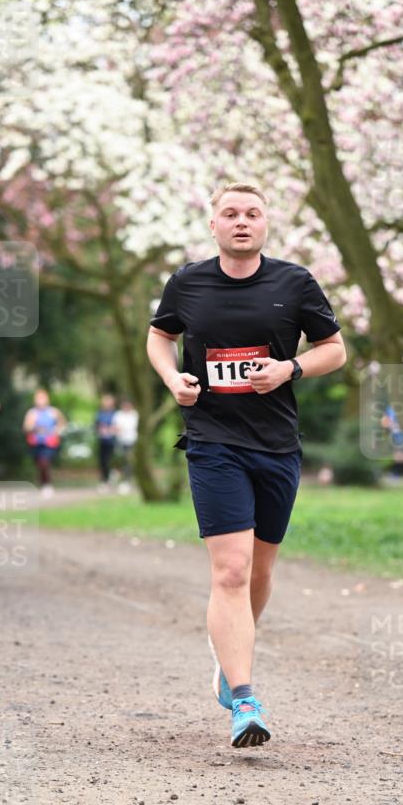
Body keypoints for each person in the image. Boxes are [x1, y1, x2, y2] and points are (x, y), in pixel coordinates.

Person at [147, 182, 346, 748]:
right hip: (212, 441)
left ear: (265, 225)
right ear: (213, 224)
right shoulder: (188, 282)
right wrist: (173, 380)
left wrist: (290, 369)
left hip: (277, 444)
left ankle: (228, 657)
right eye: (229, 213)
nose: (241, 222)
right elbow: (160, 337)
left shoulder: (294, 282)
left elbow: (335, 349)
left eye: (252, 214)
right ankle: (245, 698)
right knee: (230, 571)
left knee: (259, 573)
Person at [22, 390, 66, 498]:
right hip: (36, 442)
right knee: (39, 464)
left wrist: (57, 431)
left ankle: (47, 485)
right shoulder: (32, 413)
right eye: (38, 398)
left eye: (42, 398)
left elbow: (62, 423)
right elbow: (26, 428)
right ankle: (43, 483)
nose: (40, 401)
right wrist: (33, 428)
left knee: (45, 462)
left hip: (49, 442)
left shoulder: (53, 412)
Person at [113, 398, 139, 494]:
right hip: (121, 441)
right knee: (122, 461)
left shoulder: (135, 415)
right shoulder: (118, 415)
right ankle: (121, 479)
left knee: (129, 462)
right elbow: (115, 427)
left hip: (132, 441)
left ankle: (127, 481)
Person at [95, 393, 117, 489]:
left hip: (112, 440)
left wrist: (110, 430)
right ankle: (105, 479)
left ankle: (110, 476)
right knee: (102, 461)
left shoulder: (115, 414)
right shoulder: (100, 413)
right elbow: (96, 425)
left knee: (109, 460)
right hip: (102, 440)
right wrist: (100, 429)